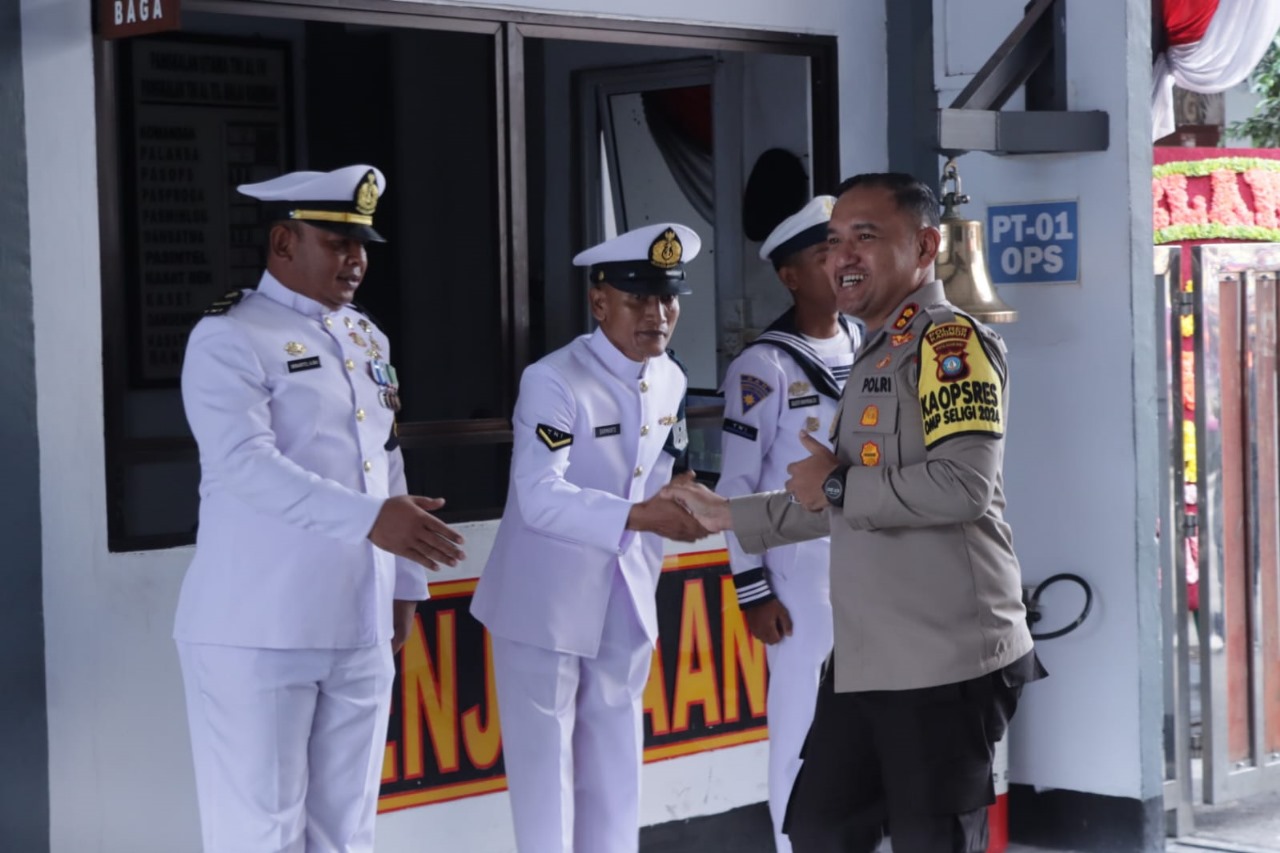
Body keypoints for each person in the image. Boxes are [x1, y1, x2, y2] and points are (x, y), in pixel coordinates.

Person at [665, 173, 1045, 853]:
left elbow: (961, 486)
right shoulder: (874, 349)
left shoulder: (948, 346)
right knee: (821, 827)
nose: (844, 256)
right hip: (867, 656)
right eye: (836, 240)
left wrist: (838, 485)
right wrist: (728, 515)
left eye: (866, 237)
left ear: (925, 246)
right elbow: (829, 496)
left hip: (945, 658)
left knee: (930, 840)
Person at [176, 164, 465, 853]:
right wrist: (372, 520)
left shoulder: (365, 338)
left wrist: (404, 589)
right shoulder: (229, 338)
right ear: (282, 243)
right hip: (260, 625)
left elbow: (385, 459)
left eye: (362, 244)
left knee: (345, 831)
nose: (357, 259)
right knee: (261, 832)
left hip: (359, 622)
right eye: (337, 243)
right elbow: (246, 465)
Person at [471, 222, 711, 853]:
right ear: (599, 302)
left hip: (624, 595)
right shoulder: (554, 380)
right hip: (543, 604)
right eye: (639, 300)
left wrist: (688, 509)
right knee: (547, 775)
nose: (658, 315)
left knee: (615, 762)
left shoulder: (670, 378)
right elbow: (538, 494)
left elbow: (662, 478)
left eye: (669, 299)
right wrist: (638, 517)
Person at [716, 195, 859, 853]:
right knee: (802, 726)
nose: (838, 264)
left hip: (868, 564)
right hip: (798, 576)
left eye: (841, 250)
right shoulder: (763, 367)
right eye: (820, 255)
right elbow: (737, 488)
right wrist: (754, 589)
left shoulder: (867, 341)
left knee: (864, 726)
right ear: (789, 275)